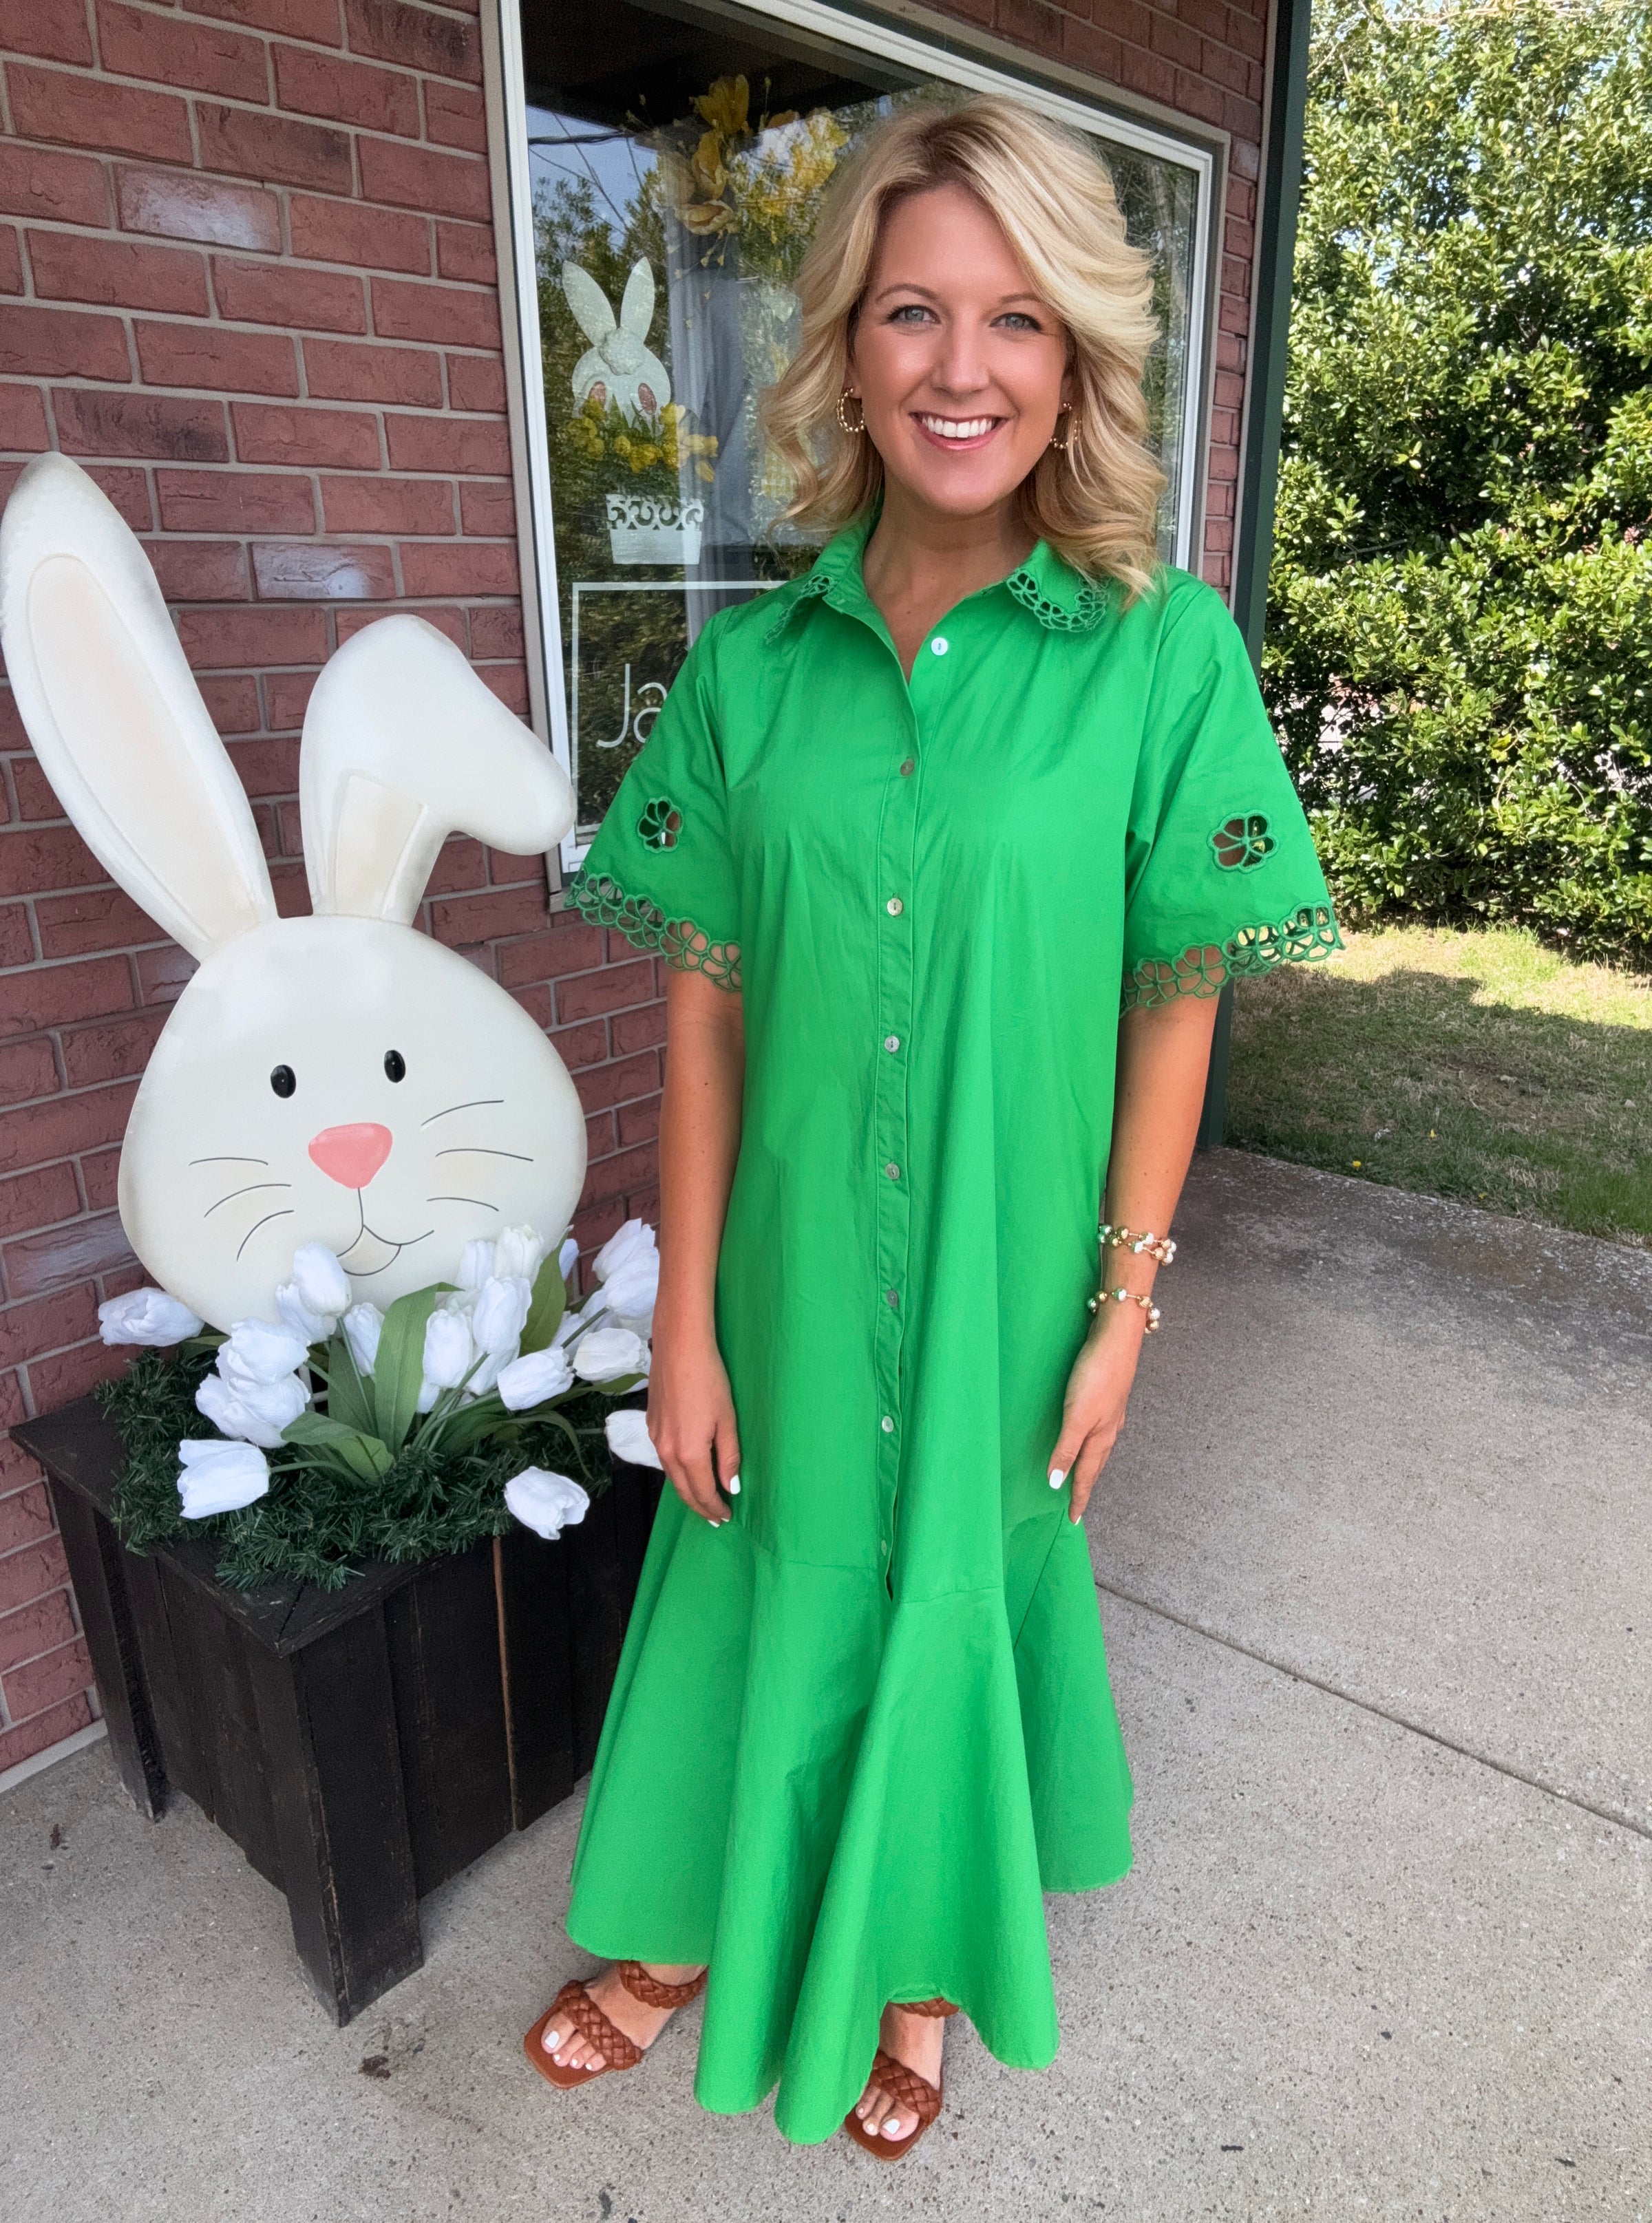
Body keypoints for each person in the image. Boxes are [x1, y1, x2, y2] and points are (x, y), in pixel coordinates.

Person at [525, 93, 1339, 2156]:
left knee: (958, 1583)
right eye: (912, 311)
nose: (961, 368)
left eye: (1017, 317)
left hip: (1006, 1270)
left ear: (1075, 358)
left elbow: (1178, 993)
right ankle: (690, 1928)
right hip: (790, 1273)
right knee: (762, 1566)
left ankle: (914, 1966)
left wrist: (1125, 1305)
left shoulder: (1162, 659)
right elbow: (706, 1013)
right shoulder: (746, 675)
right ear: (847, 347)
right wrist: (683, 1320)